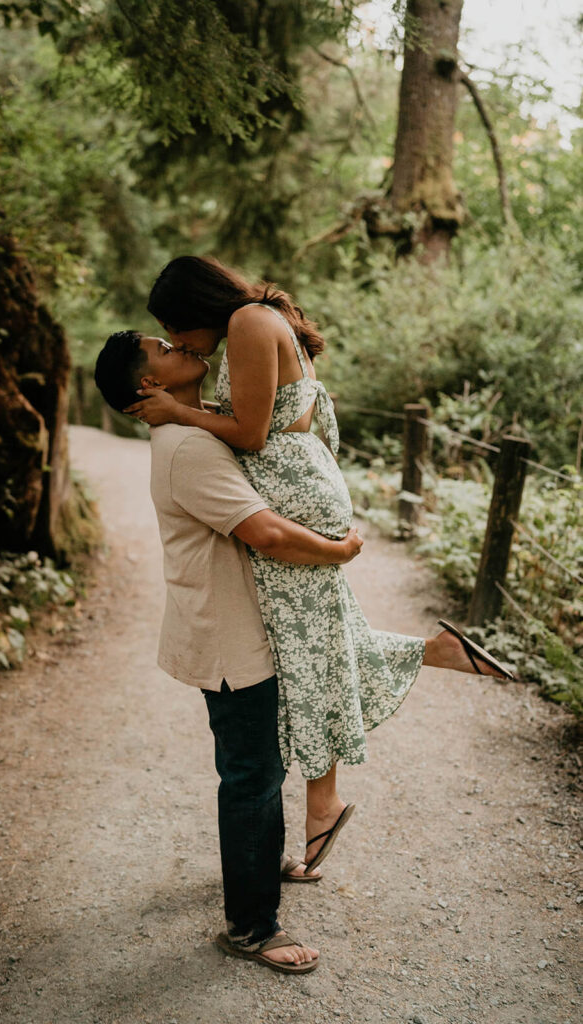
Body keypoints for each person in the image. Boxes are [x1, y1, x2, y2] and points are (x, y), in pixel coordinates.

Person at [127, 256, 515, 876]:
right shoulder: (261, 319)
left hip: (292, 499)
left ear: (199, 307)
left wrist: (179, 413)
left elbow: (251, 434)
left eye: (177, 329)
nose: (182, 343)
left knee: (305, 652)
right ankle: (432, 656)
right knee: (316, 639)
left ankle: (325, 804)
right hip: (302, 488)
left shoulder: (251, 323)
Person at [94, 329, 367, 975]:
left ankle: (259, 862)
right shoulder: (188, 447)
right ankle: (251, 927)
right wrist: (339, 550)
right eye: (162, 348)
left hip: (235, 628)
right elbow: (266, 532)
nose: (179, 346)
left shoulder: (195, 428)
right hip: (227, 638)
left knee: (255, 765)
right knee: (252, 775)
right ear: (148, 386)